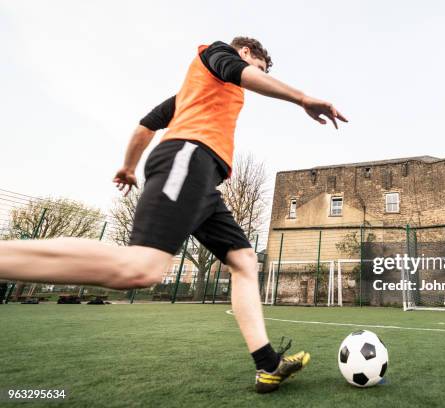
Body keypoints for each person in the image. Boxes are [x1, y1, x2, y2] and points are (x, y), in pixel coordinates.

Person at [0, 37, 347, 393]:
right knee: (143, 267)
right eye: (258, 67)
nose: (256, 76)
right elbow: (238, 73)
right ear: (246, 53)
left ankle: (268, 365)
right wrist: (302, 98)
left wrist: (129, 167)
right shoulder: (219, 55)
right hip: (187, 156)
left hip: (205, 181)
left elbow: (145, 126)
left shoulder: (192, 94)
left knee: (244, 260)